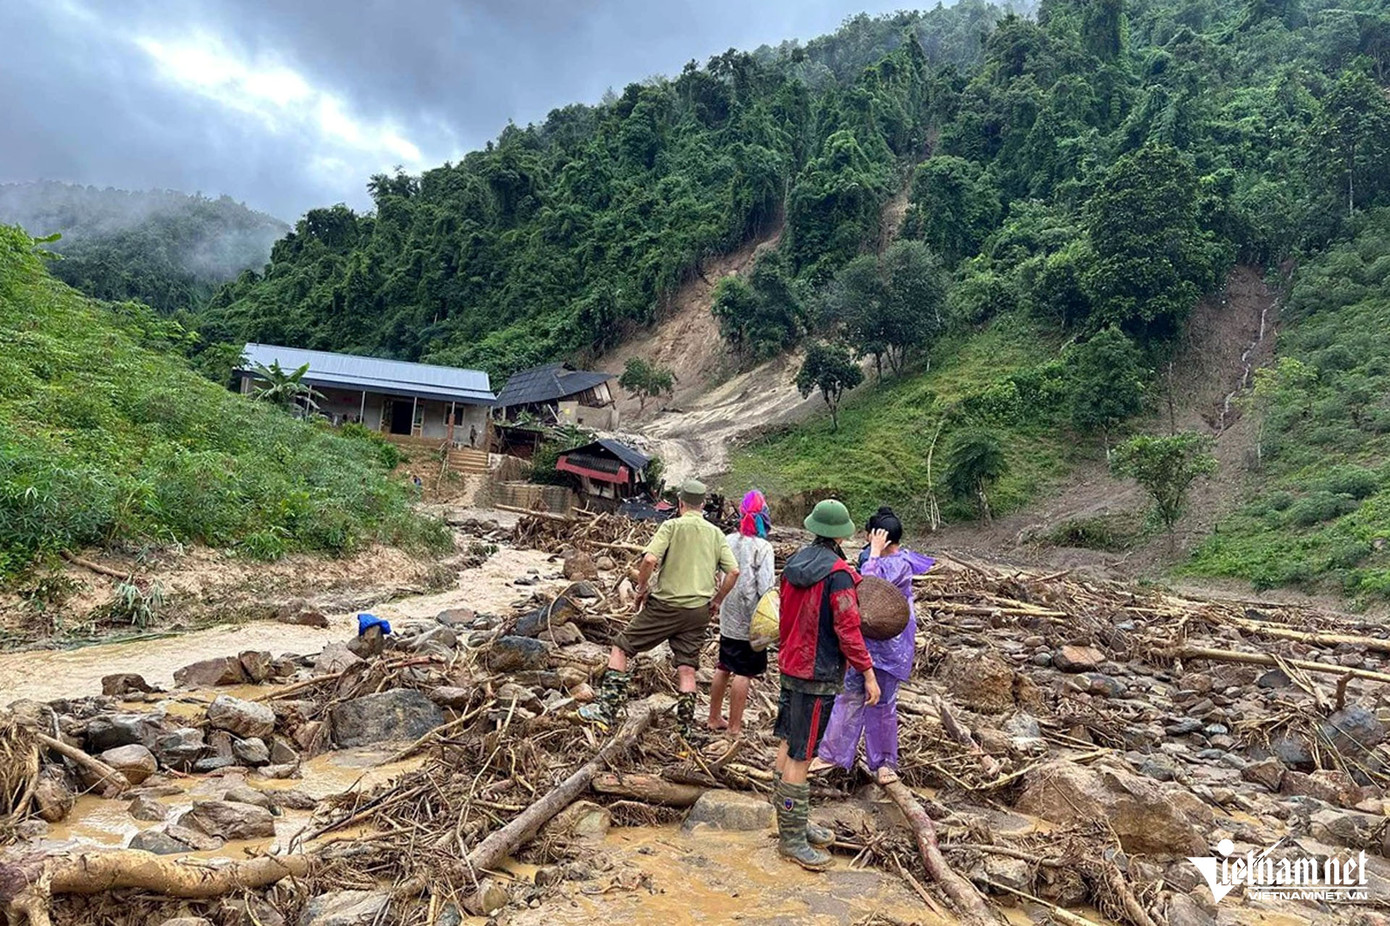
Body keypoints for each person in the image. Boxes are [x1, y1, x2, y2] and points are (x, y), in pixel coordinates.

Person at [579, 478, 740, 740]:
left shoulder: (671, 526)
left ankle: (606, 711)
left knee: (621, 647)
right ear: (701, 505)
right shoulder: (716, 533)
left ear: (680, 503)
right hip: (698, 610)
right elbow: (733, 571)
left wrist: (641, 589)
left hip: (665, 606)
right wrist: (718, 600)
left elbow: (650, 558)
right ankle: (684, 730)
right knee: (687, 668)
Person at [773, 499, 879, 871]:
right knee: (803, 754)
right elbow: (848, 629)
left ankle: (794, 824)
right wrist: (867, 672)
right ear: (843, 534)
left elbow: (782, 613)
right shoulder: (838, 575)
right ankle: (791, 839)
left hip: (790, 664)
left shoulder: (794, 564)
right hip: (817, 673)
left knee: (788, 741)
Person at [811, 507, 934, 784]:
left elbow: (869, 586)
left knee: (881, 704)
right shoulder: (887, 559)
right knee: (850, 697)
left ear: (879, 537)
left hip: (889, 646)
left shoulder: (897, 564)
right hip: (867, 643)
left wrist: (875, 552)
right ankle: (832, 756)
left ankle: (883, 762)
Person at [708, 490, 776, 737]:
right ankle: (735, 726)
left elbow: (718, 574)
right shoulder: (763, 547)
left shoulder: (728, 539)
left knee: (724, 665)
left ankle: (713, 716)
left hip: (728, 611)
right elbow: (766, 587)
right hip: (752, 618)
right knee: (744, 672)